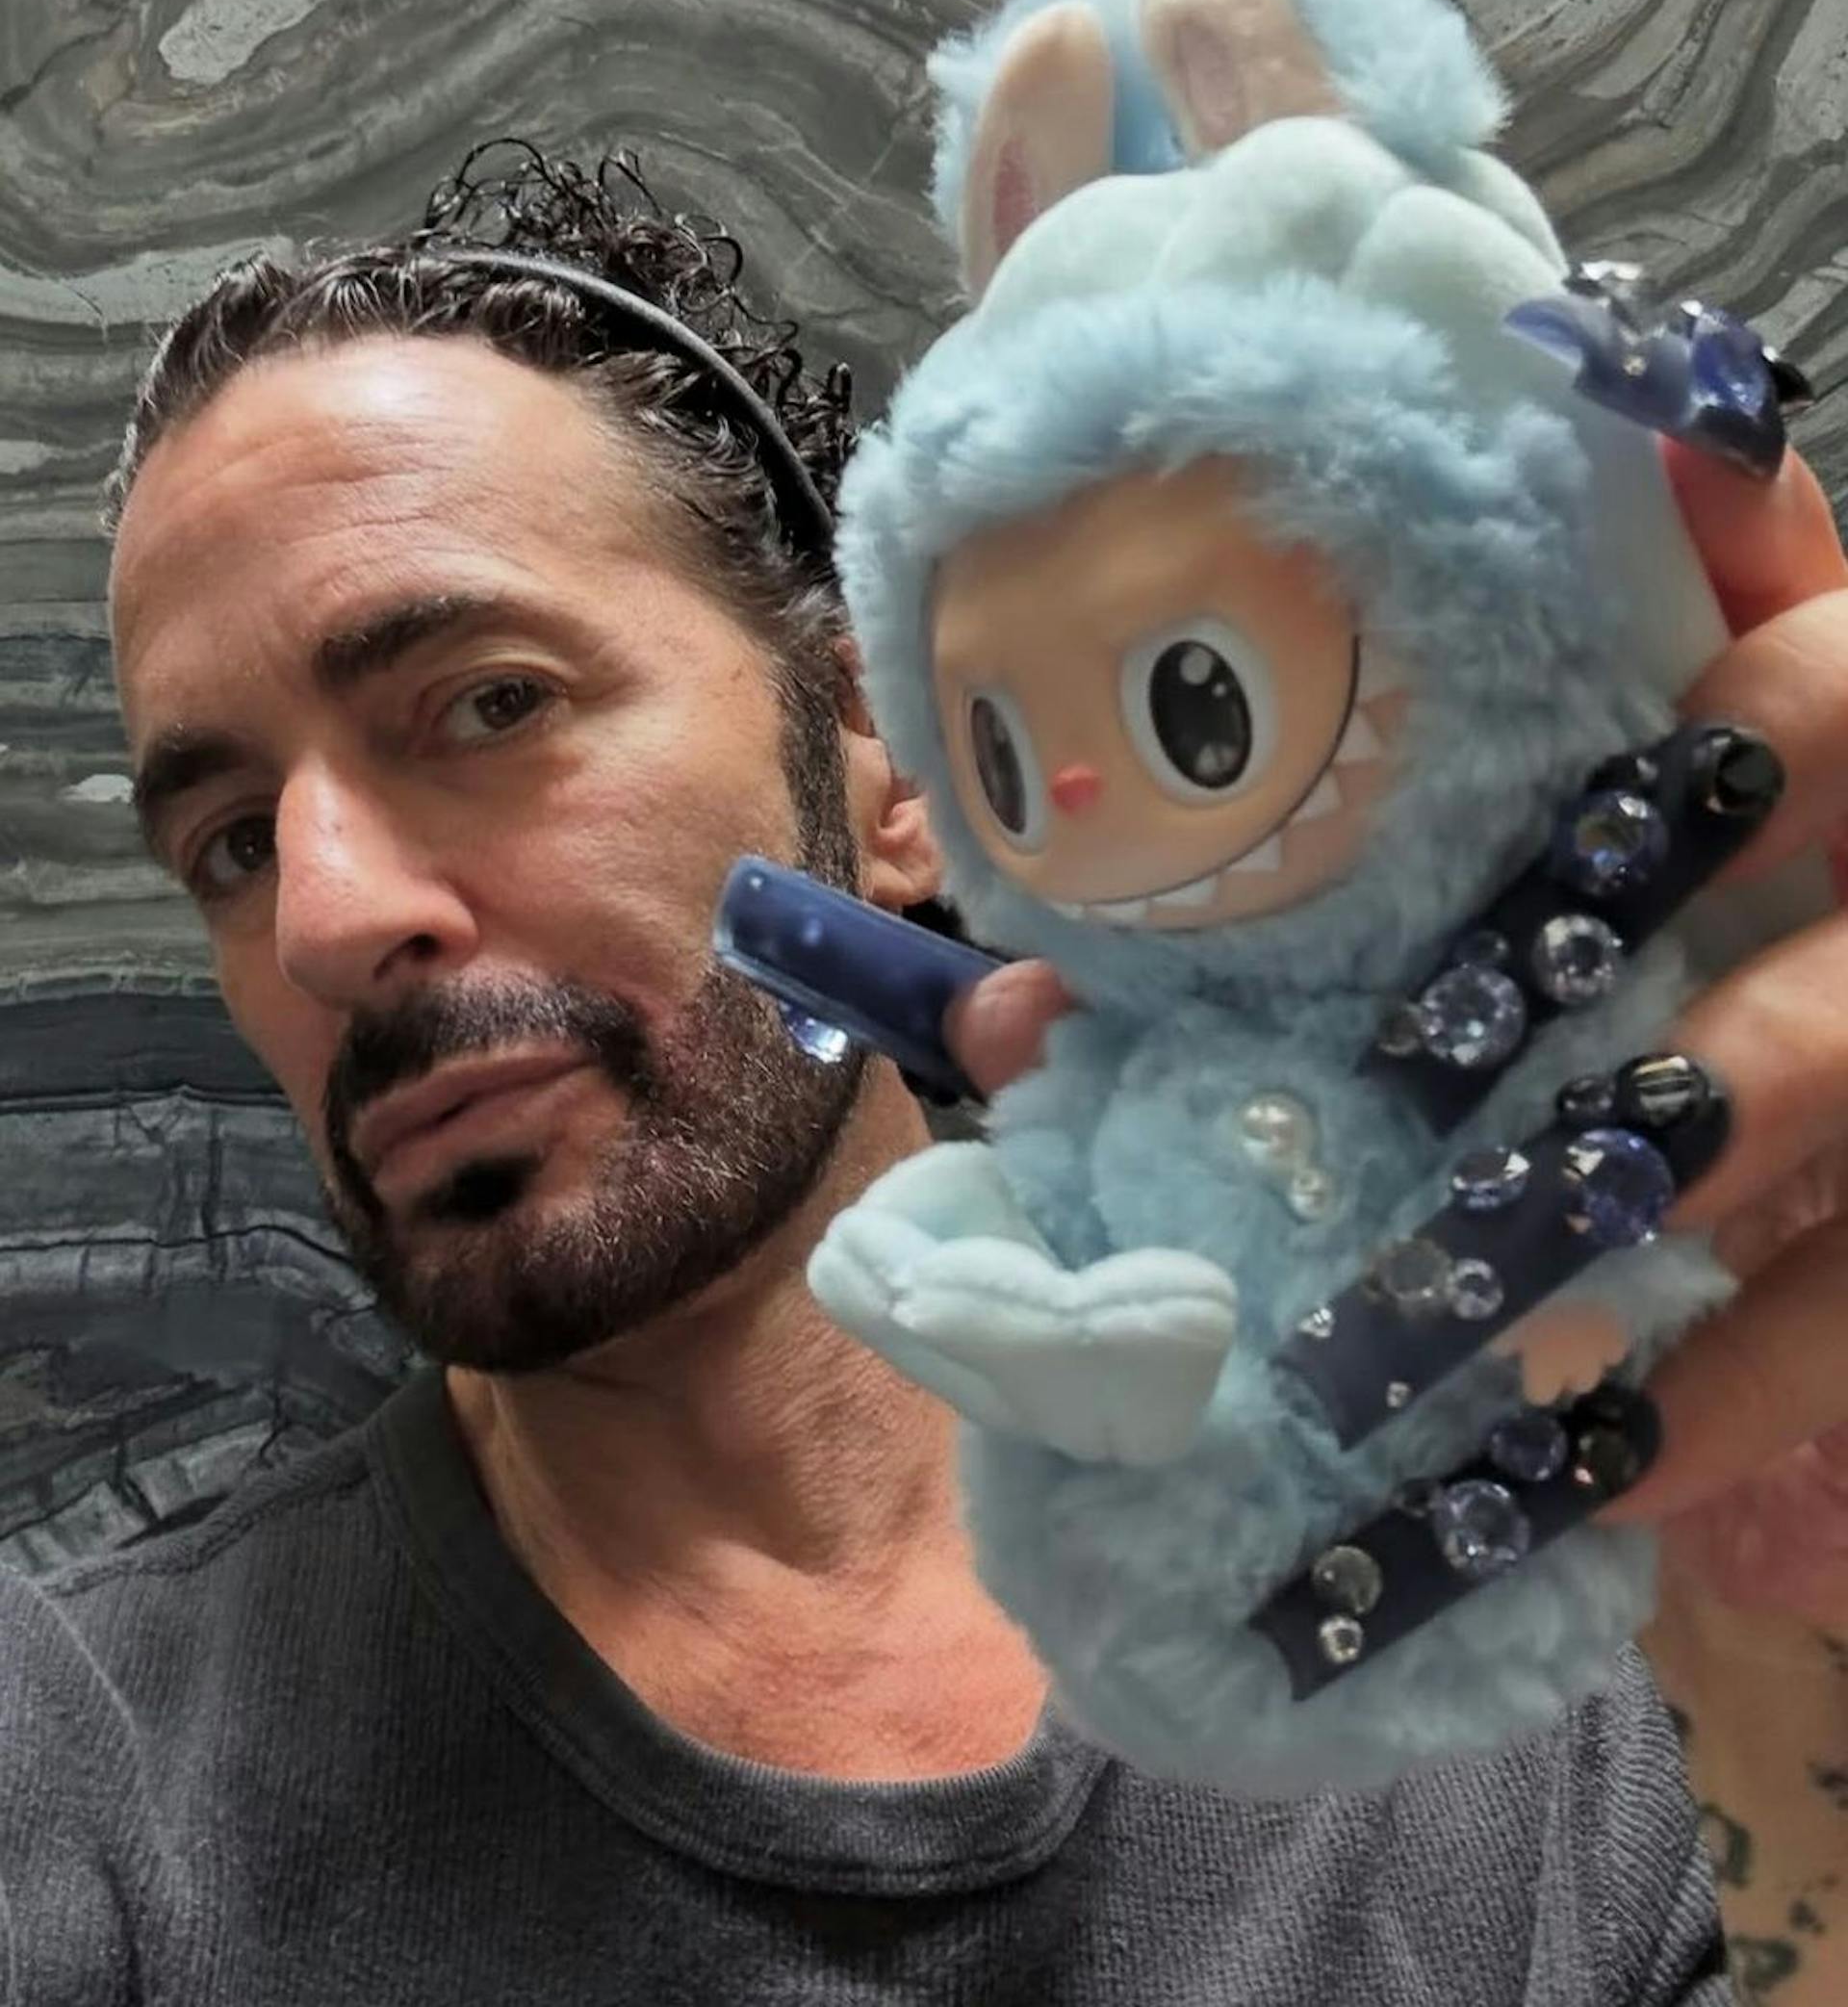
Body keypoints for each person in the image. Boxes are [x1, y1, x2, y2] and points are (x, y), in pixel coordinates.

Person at [0, 141, 1842, 2005]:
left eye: (491, 704)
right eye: (233, 842)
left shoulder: (1526, 1602)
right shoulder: (88, 1785)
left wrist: (1795, 1625)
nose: (324, 921)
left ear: (885, 759)